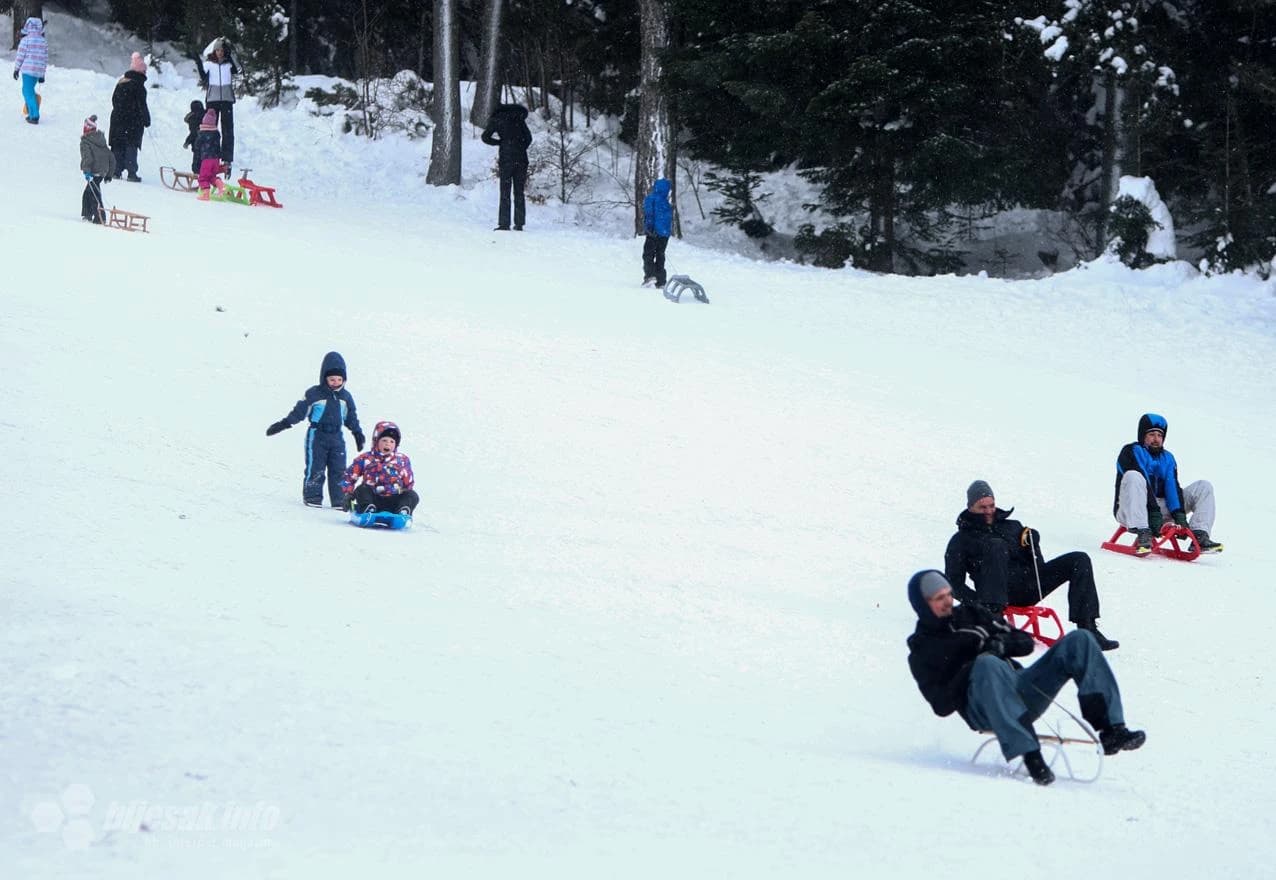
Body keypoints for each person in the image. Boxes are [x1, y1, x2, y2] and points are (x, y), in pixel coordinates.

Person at [906, 570, 1145, 786]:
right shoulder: (922, 649)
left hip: (1019, 689)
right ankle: (1030, 755)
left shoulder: (971, 614)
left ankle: (1112, 729)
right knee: (986, 665)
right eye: (939, 598)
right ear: (923, 605)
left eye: (948, 594)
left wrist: (1001, 645)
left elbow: (1025, 642)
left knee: (1080, 640)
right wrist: (971, 666)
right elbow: (940, 705)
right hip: (982, 709)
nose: (948, 601)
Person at [945, 480, 1118, 650]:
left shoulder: (1012, 527)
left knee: (1079, 559)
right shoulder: (961, 540)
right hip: (993, 598)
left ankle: (1088, 629)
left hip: (1028, 587)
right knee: (995, 545)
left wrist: (1033, 545)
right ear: (970, 507)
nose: (989, 511)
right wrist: (978, 603)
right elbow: (953, 583)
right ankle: (995, 622)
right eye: (982, 507)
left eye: (991, 505)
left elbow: (1038, 567)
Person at [265, 352, 365, 508]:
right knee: (316, 466)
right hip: (317, 435)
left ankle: (339, 500)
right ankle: (312, 496)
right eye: (332, 379)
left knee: (339, 469)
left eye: (339, 380)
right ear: (324, 377)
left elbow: (351, 417)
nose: (336, 383)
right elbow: (300, 412)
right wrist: (284, 424)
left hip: (337, 436)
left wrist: (357, 433)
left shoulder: (345, 397)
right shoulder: (314, 394)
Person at [1114, 412, 1221, 553]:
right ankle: (1142, 532)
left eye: (1159, 435)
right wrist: (1153, 514)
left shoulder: (1168, 458)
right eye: (1151, 434)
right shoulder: (1131, 451)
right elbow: (1143, 480)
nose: (1156, 439)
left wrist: (1179, 516)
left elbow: (1172, 488)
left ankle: (1200, 536)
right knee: (1134, 476)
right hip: (1130, 509)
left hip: (1159, 510)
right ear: (1143, 436)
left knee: (1203, 486)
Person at [339, 421, 420, 517]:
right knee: (362, 489)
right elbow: (349, 476)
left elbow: (408, 483)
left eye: (392, 442)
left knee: (412, 495)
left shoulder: (402, 460)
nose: (387, 444)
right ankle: (368, 509)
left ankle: (403, 511)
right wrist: (348, 495)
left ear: (396, 445)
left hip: (394, 500)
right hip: (372, 499)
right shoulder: (366, 458)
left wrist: (406, 495)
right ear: (376, 441)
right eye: (384, 440)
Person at [481, 103, 533, 231]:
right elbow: (528, 138)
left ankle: (504, 223)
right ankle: (519, 223)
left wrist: (500, 143)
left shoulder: (497, 118)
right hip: (521, 158)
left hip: (506, 158)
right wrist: (520, 147)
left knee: (505, 191)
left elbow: (485, 137)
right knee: (519, 191)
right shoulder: (519, 119)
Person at [195, 37, 240, 173]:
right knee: (210, 129)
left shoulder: (228, 64)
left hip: (226, 99)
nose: (220, 53)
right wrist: (197, 61)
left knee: (228, 130)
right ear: (214, 51)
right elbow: (203, 76)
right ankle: (209, 156)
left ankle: (227, 159)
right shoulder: (209, 63)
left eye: (222, 50)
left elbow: (236, 71)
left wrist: (230, 56)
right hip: (212, 100)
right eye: (217, 50)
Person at [108, 52, 151, 182]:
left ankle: (116, 170)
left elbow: (114, 100)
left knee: (118, 145)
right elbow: (142, 106)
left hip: (117, 120)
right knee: (131, 146)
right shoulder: (139, 87)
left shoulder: (121, 83)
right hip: (133, 122)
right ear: (141, 73)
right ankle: (131, 173)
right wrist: (146, 120)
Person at [79, 115, 115, 224]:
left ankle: (100, 217)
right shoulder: (101, 141)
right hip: (102, 172)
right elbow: (112, 158)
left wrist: (87, 171)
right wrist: (109, 175)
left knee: (93, 194)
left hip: (93, 171)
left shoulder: (85, 142)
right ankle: (88, 214)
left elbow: (87, 157)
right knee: (89, 192)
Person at [13, 17, 48, 125]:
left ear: (27, 27)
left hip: (27, 71)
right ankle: (30, 107)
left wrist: (16, 69)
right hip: (37, 72)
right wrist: (42, 74)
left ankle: (34, 115)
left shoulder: (25, 40)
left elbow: (20, 56)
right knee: (28, 90)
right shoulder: (43, 42)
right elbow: (44, 59)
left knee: (27, 91)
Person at [641, 178, 673, 287]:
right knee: (660, 255)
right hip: (664, 235)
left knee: (648, 255)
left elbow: (649, 215)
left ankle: (650, 276)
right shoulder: (666, 203)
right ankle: (661, 281)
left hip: (654, 232)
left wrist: (649, 228)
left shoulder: (651, 198)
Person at [193, 108, 224, 201]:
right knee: (211, 177)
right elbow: (219, 147)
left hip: (206, 159)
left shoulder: (202, 134)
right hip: (215, 159)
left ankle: (206, 194)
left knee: (203, 177)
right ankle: (220, 185)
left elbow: (197, 147)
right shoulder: (216, 134)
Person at [182, 100, 206, 175]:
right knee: (204, 162)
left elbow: (193, 133)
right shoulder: (205, 116)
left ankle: (199, 176)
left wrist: (187, 141)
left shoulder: (193, 118)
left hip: (197, 145)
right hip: (207, 146)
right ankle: (203, 175)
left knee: (196, 165)